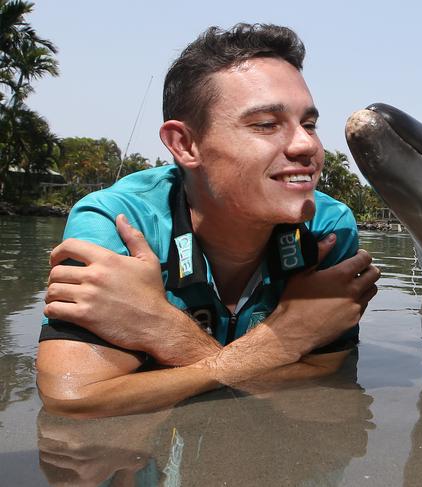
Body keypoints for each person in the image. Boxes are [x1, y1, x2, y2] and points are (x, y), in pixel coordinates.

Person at [36, 23, 380, 418]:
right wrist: (284, 343)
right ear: (184, 144)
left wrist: (163, 332)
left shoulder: (327, 228)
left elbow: (326, 376)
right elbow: (74, 399)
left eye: (308, 123)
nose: (307, 145)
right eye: (266, 124)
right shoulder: (118, 222)